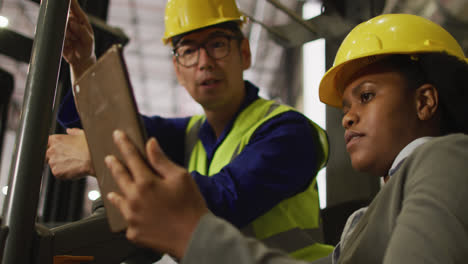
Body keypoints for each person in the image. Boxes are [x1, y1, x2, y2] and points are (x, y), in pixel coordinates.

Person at [103, 13, 468, 264]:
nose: (349, 116)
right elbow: (112, 126)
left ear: (424, 101)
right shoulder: (366, 219)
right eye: (346, 106)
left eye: (367, 96)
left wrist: (192, 234)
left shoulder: (448, 158)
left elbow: (227, 197)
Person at [46, 0, 333, 261]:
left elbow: (225, 202)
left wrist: (103, 158)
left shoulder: (290, 132)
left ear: (244, 53)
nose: (204, 62)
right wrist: (82, 61)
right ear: (177, 69)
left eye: (218, 44)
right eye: (189, 50)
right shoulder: (190, 135)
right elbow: (114, 130)